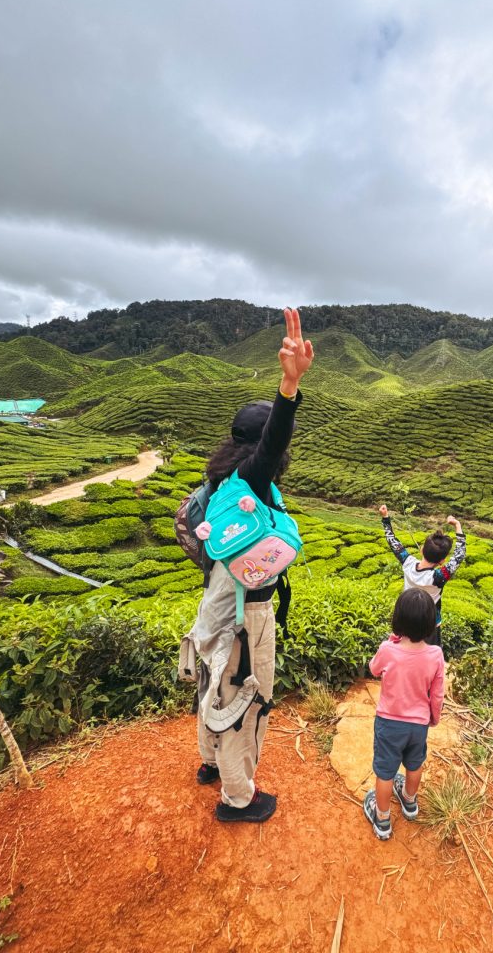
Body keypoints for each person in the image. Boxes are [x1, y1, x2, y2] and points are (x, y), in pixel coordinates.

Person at [189, 307, 314, 824]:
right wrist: (290, 386)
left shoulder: (219, 479)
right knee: (246, 695)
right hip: (247, 609)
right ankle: (238, 798)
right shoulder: (254, 476)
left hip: (215, 601)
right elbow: (274, 442)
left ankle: (209, 764)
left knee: (213, 679)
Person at [363, 589, 445, 840]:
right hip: (418, 724)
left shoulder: (388, 649)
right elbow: (437, 693)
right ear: (431, 623)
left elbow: (374, 669)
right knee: (414, 763)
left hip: (389, 723)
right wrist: (433, 718)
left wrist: (389, 644)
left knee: (385, 772)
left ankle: (383, 819)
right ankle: (410, 803)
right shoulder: (435, 654)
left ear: (397, 620)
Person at [378, 504, 466, 650]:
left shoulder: (408, 563)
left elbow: (393, 541)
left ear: (422, 550)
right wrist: (457, 525)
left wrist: (385, 517)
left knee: (402, 651)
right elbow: (459, 555)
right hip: (429, 624)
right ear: (442, 561)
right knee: (429, 655)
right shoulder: (439, 577)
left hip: (405, 617)